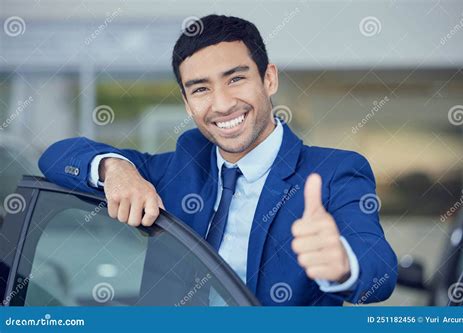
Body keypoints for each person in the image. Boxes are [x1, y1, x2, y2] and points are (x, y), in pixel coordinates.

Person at [39, 14, 397, 306]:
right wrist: (114, 168)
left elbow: (378, 269)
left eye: (236, 79)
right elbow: (55, 156)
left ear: (268, 79)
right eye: (201, 89)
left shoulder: (333, 172)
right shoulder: (175, 169)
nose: (222, 104)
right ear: (186, 102)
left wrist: (342, 264)